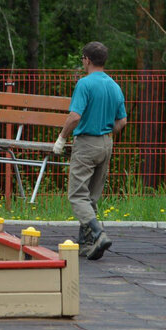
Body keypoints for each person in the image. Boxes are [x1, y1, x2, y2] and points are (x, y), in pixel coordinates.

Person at [53, 41, 127, 260]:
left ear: (86, 59)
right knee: (91, 197)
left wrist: (61, 138)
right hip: (106, 143)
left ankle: (98, 233)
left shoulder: (84, 84)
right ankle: (86, 245)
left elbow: (75, 116)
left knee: (77, 195)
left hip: (86, 144)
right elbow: (122, 121)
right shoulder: (114, 86)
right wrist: (105, 132)